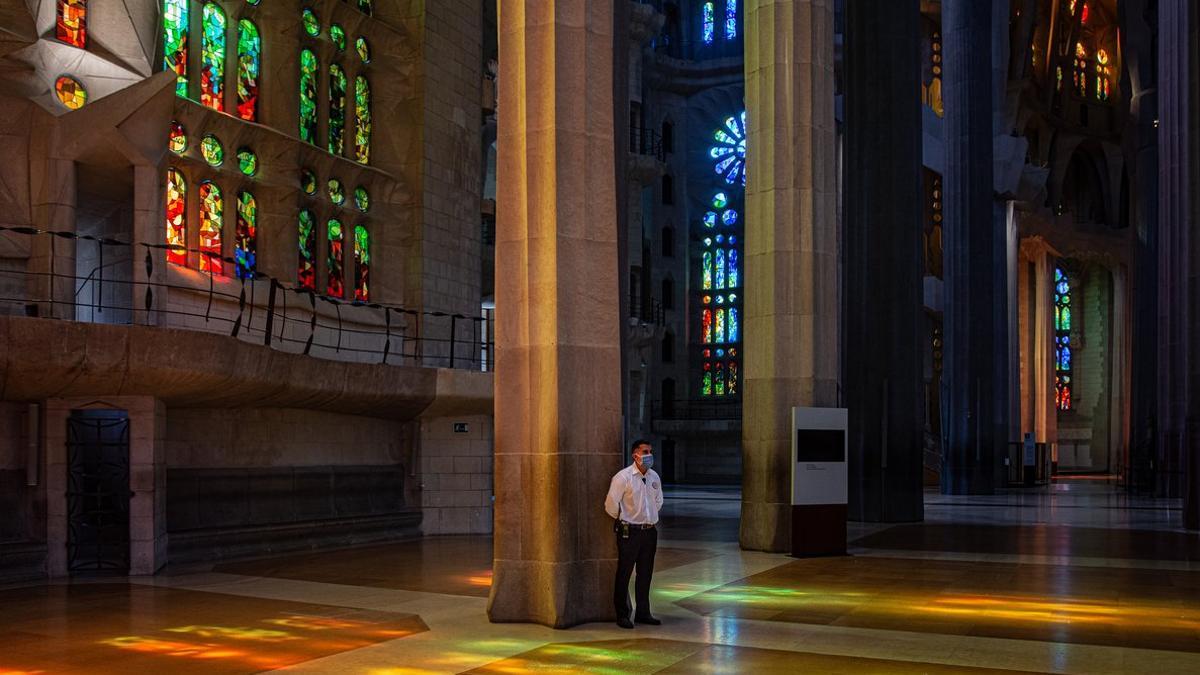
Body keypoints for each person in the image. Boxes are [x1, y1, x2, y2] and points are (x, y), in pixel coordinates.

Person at [604, 439, 663, 629]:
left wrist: (649, 517)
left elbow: (658, 501)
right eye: (645, 451)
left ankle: (643, 612)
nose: (649, 455)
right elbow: (611, 504)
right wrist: (625, 519)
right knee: (624, 573)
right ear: (635, 455)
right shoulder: (623, 477)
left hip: (649, 532)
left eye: (650, 451)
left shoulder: (654, 477)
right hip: (630, 532)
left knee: (645, 574)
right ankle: (622, 614)